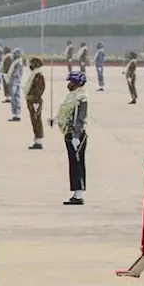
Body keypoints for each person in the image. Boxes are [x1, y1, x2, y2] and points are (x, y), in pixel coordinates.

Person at [57, 71, 89, 205]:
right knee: (73, 164)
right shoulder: (72, 96)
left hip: (76, 135)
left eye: (70, 82)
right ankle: (76, 192)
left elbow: (80, 119)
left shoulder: (81, 98)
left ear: (76, 84)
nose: (68, 84)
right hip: (69, 134)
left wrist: (76, 136)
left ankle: (78, 194)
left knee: (77, 164)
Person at [25, 56, 46, 149]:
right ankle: (37, 140)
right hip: (32, 101)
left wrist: (35, 99)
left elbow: (40, 89)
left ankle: (39, 141)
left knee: (36, 120)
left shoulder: (38, 75)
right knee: (34, 120)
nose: (30, 65)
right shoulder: (34, 74)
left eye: (31, 63)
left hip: (35, 101)